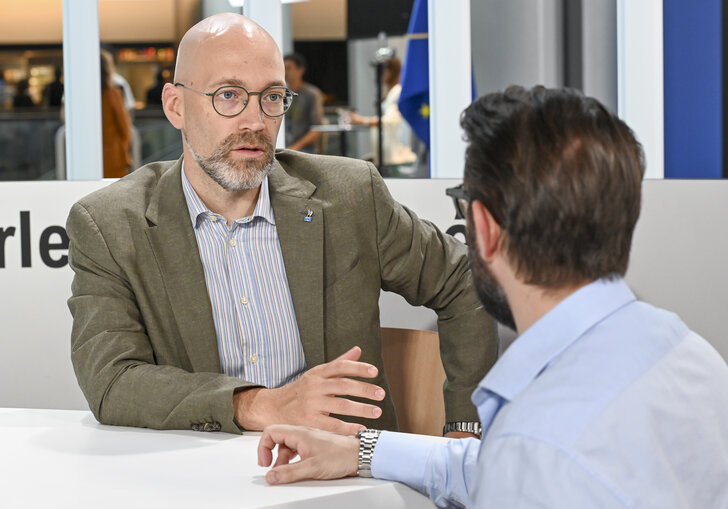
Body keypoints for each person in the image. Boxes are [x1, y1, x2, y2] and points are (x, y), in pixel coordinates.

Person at [257, 86, 728, 509]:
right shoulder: (684, 353)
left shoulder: (538, 450)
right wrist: (362, 450)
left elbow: (531, 462)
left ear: (482, 226)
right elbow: (503, 464)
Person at [66, 14, 497, 438]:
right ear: (175, 105)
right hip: (201, 483)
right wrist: (263, 404)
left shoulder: (349, 196)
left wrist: (464, 430)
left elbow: (465, 278)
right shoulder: (111, 225)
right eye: (229, 96)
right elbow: (112, 379)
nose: (255, 121)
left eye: (271, 97)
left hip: (343, 479)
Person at [349, 57, 416, 167]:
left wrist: (362, 120)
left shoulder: (397, 92)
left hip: (397, 157)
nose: (379, 75)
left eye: (383, 70)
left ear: (391, 72)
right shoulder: (389, 92)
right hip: (387, 155)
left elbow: (388, 121)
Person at [100, 49, 132, 178]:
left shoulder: (80, 95)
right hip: (112, 157)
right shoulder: (113, 93)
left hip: (84, 157)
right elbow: (124, 128)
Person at [283, 53, 323, 153]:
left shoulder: (312, 94)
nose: (285, 72)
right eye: (283, 68)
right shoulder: (281, 93)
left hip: (306, 151)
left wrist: (295, 147)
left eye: (288, 68)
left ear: (300, 70)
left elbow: (317, 128)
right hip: (284, 148)